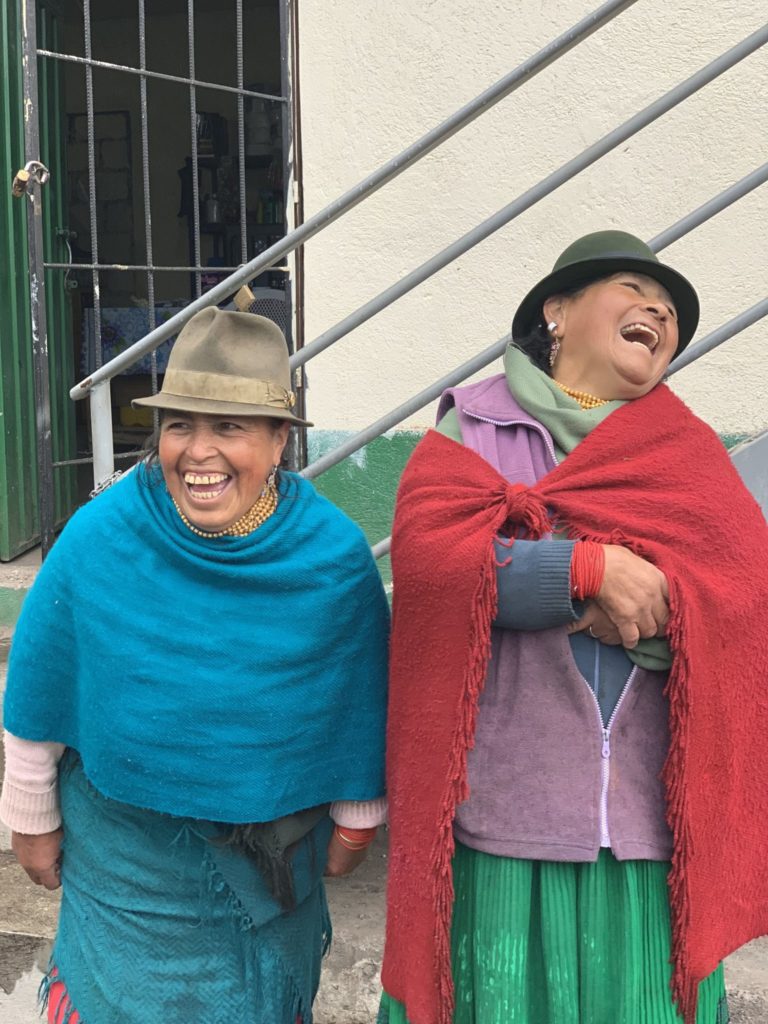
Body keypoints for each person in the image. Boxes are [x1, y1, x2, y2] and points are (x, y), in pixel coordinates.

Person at [378, 231, 768, 1024]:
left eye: (671, 312)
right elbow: (431, 572)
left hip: (648, 832)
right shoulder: (474, 431)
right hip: (504, 822)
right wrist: (584, 573)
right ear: (556, 311)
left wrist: (640, 615)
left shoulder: (687, 454)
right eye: (634, 288)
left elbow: (739, 602)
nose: (658, 311)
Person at [1, 308, 389, 1024]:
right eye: (180, 424)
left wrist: (359, 818)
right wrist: (28, 813)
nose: (197, 452)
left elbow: (358, 698)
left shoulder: (330, 561)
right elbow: (42, 679)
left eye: (230, 428)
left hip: (272, 875)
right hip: (124, 872)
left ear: (280, 443)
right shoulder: (102, 536)